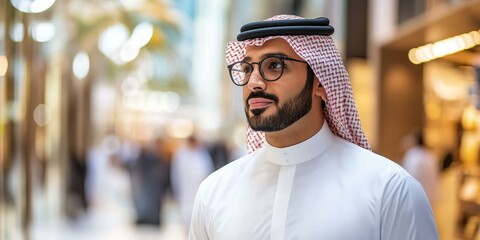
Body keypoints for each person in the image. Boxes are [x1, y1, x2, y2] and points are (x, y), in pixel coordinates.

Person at [188, 15, 439, 240]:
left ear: (320, 81)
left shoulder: (390, 190)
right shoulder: (214, 192)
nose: (253, 82)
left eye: (274, 65)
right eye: (246, 68)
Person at [171, 136, 214, 232]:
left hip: (199, 193)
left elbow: (208, 172)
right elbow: (176, 175)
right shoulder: (181, 155)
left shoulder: (202, 155)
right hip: (185, 195)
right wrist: (176, 191)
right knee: (186, 222)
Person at [401, 129, 440, 206]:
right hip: (430, 195)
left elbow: (408, 175)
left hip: (415, 195)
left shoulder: (412, 155)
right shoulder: (431, 156)